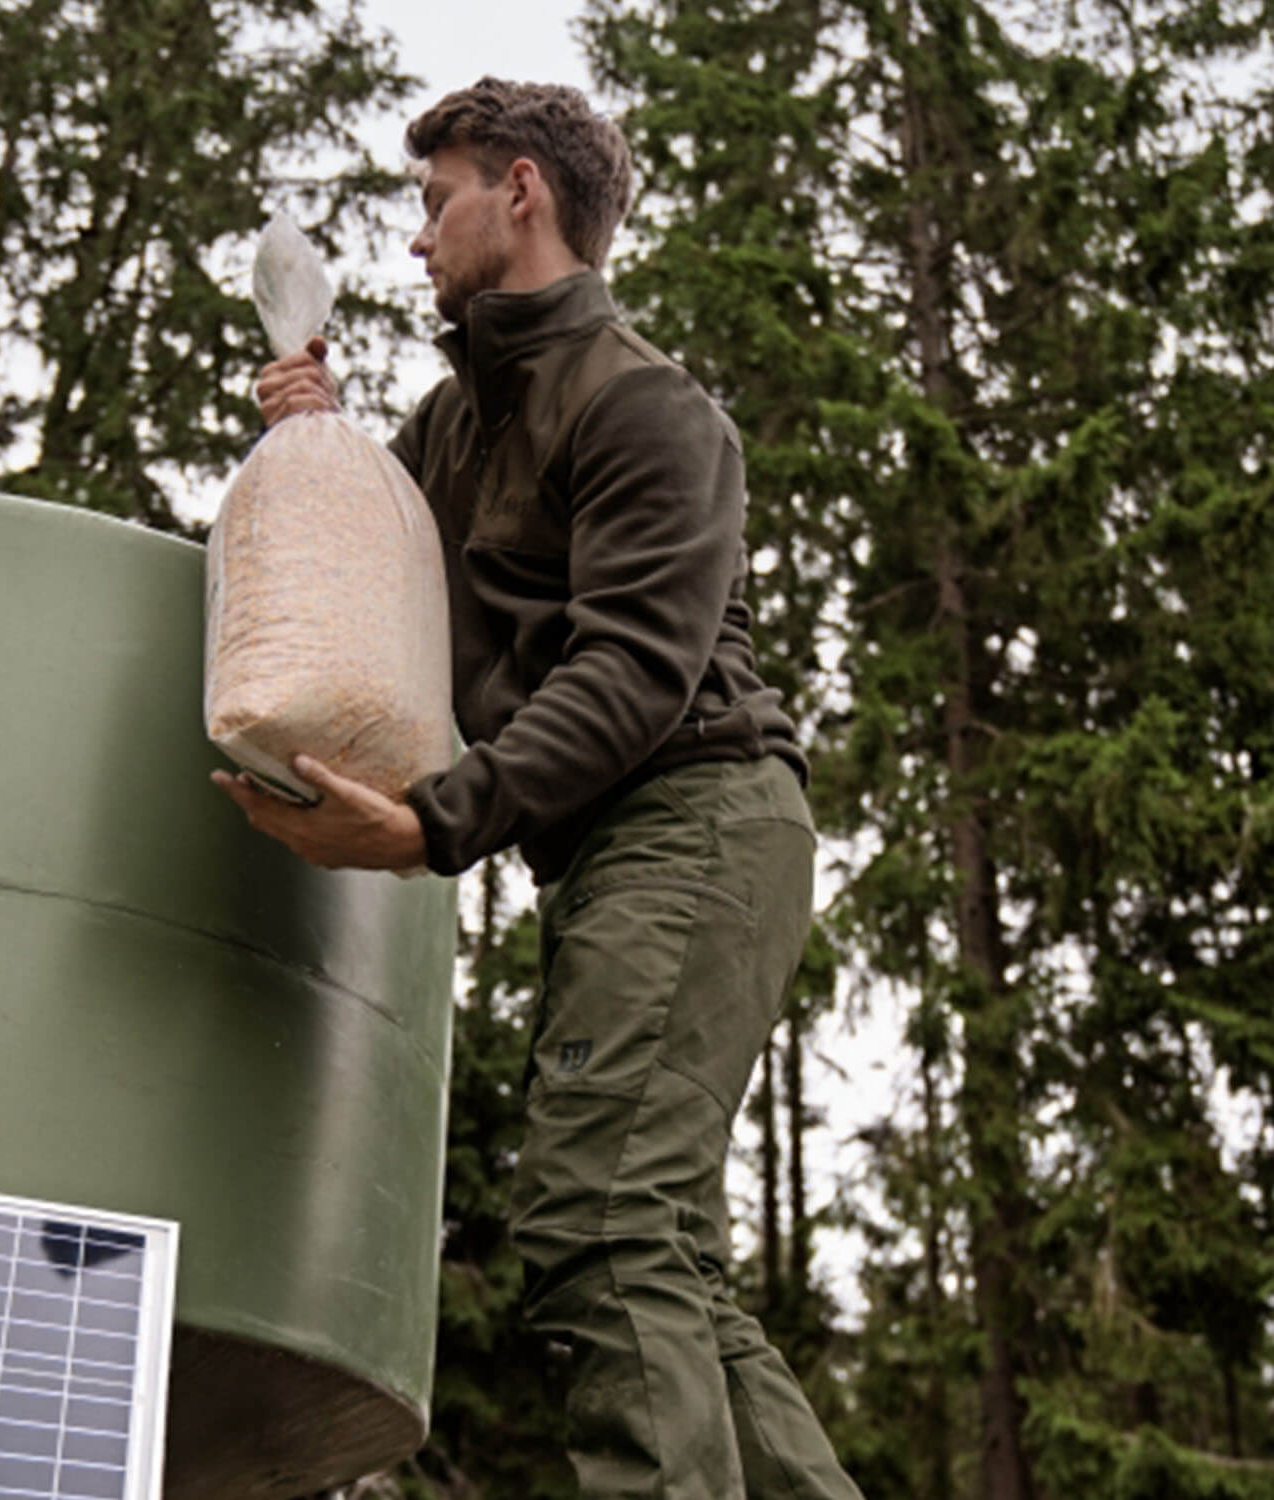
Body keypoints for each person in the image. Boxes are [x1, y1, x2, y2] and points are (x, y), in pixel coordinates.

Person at [213, 78, 864, 1500]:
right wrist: (314, 438)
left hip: (699, 814)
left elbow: (633, 672)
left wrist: (437, 823)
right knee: (660, 1248)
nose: (415, 240)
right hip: (610, 847)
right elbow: (370, 605)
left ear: (521, 190)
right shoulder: (449, 431)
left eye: (435, 199)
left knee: (598, 1222)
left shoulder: (647, 407)